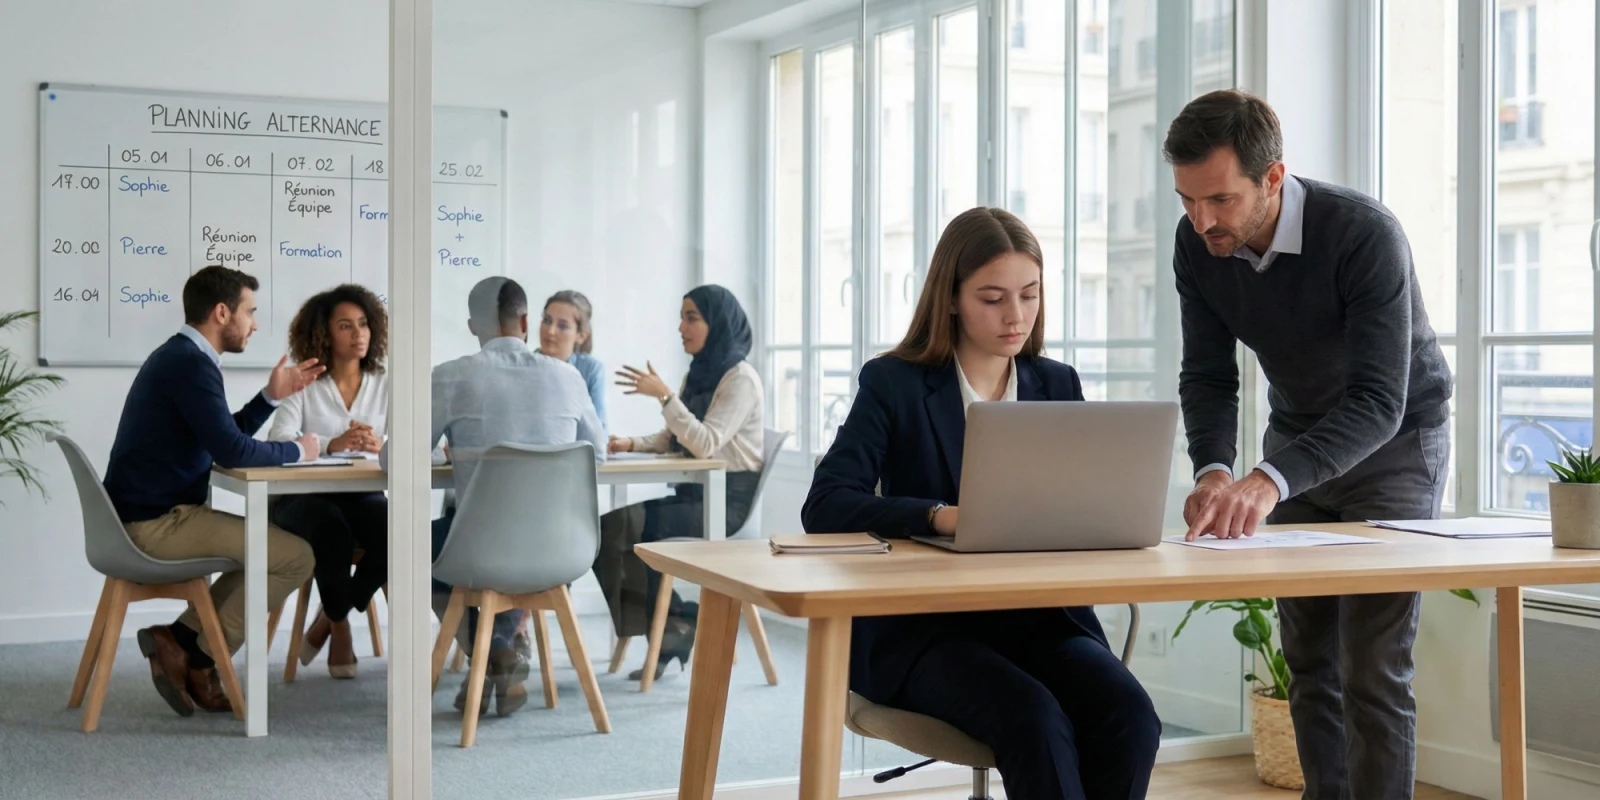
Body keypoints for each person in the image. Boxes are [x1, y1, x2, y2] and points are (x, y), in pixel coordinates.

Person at [802, 207, 1161, 800]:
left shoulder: (1057, 384)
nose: (1015, 315)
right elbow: (826, 504)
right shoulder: (893, 383)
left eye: (1030, 294)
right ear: (951, 298)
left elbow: (1077, 502)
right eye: (992, 298)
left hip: (1041, 621)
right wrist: (939, 516)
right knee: (1034, 719)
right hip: (926, 632)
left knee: (1131, 717)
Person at [1164, 89, 1452, 800]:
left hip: (1396, 445)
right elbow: (1207, 374)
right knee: (1307, 660)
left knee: (1373, 668)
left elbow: (1379, 400)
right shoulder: (1196, 244)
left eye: (1220, 200)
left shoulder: (1362, 233)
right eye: (1187, 200)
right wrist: (1214, 468)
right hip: (1296, 439)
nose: (1202, 221)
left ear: (1272, 177)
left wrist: (1265, 480)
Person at [103, 265, 321, 717]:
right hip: (158, 524)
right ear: (222, 313)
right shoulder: (191, 365)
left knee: (268, 553)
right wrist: (299, 450)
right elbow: (232, 450)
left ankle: (178, 640)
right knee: (296, 557)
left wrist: (271, 397)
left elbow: (221, 437)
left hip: (144, 517)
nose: (255, 324)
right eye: (250, 312)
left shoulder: (181, 357)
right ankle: (201, 659)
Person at [427, 276, 606, 717]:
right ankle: (501, 657)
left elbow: (397, 460)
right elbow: (597, 454)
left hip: (482, 552)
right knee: (488, 545)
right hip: (561, 551)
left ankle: (493, 656)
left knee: (407, 547)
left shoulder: (450, 376)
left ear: (473, 326)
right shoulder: (569, 377)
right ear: (526, 322)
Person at [595, 284, 764, 682]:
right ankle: (677, 623)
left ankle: (673, 627)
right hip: (695, 495)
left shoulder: (740, 379)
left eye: (692, 318)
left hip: (726, 503)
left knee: (626, 531)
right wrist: (631, 443)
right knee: (605, 531)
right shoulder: (700, 373)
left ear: (716, 324)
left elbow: (704, 443)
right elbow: (674, 437)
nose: (681, 328)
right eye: (682, 318)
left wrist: (666, 397)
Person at [266, 284, 390, 680]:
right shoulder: (304, 379)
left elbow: (420, 439)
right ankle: (340, 627)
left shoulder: (386, 381)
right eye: (345, 326)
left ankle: (330, 614)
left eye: (364, 324)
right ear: (324, 333)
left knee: (398, 531)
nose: (359, 334)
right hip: (302, 498)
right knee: (332, 532)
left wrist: (382, 444)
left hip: (361, 494)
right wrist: (330, 444)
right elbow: (278, 439)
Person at [538, 290, 607, 430]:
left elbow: (599, 429)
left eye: (562, 326)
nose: (550, 331)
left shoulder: (590, 369)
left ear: (581, 336)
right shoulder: (524, 365)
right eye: (547, 321)